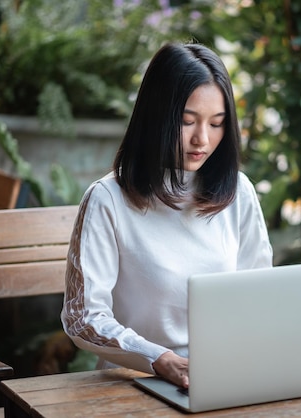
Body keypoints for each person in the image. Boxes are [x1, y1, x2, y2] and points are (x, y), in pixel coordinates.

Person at [60, 42, 273, 389]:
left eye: (217, 124)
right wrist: (157, 359)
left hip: (224, 376)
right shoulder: (108, 200)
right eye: (187, 121)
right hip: (135, 383)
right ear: (157, 116)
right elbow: (84, 318)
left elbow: (261, 296)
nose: (201, 139)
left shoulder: (238, 192)